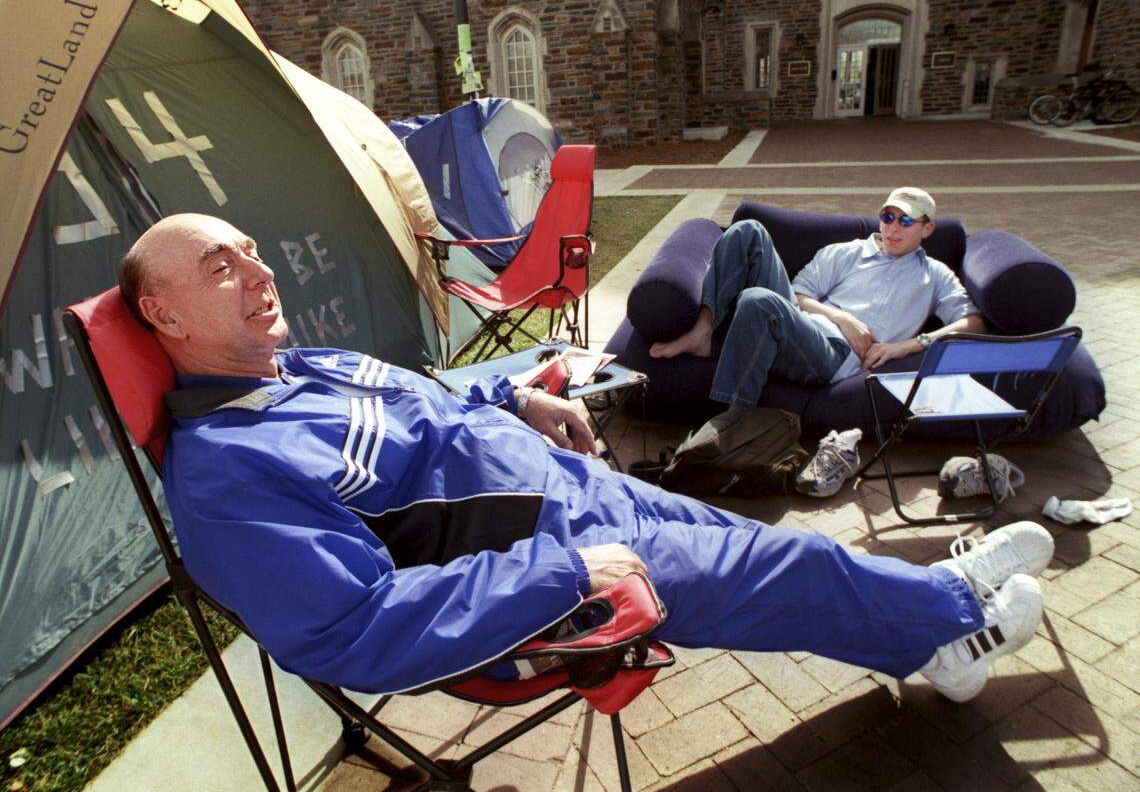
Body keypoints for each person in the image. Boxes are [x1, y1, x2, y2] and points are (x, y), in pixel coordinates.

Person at [120, 212, 1051, 704]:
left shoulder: (303, 366)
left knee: (772, 549)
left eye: (251, 251)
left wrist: (515, 394)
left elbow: (430, 405)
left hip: (578, 493)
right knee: (783, 562)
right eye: (219, 267)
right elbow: (349, 630)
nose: (259, 272)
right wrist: (561, 572)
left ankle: (931, 640)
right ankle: (958, 614)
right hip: (552, 571)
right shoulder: (226, 477)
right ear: (162, 316)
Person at [650, 187, 985, 497]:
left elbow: (974, 322)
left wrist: (910, 345)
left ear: (927, 229)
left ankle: (732, 428)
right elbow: (798, 294)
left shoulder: (934, 274)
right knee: (747, 231)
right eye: (888, 217)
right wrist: (843, 318)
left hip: (831, 356)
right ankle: (703, 331)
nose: (893, 228)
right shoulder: (848, 252)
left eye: (906, 220)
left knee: (757, 300)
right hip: (805, 323)